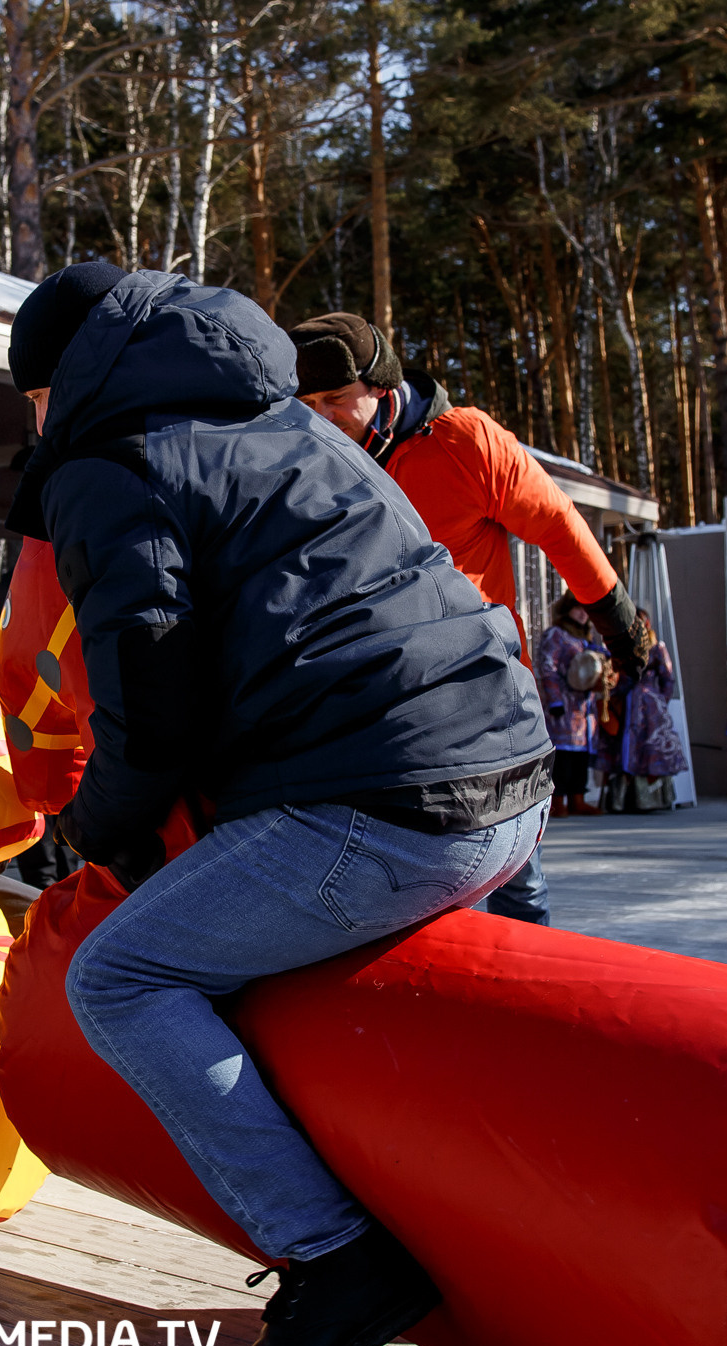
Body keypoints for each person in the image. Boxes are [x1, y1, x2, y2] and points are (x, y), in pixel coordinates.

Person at [9, 264, 551, 1346]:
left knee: (123, 975)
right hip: (517, 782)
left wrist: (89, 835)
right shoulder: (287, 424)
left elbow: (149, 701)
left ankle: (337, 1256)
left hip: (394, 807)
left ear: (56, 386)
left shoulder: (111, 466)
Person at [285, 313, 648, 923]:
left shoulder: (465, 443)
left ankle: (523, 992)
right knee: (407, 884)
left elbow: (561, 528)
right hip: (372, 703)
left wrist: (619, 623)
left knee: (512, 876)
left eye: (336, 400)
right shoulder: (308, 464)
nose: (320, 416)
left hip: (482, 697)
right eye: (307, 402)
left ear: (380, 386)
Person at [607, 607, 690, 813]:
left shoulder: (657, 647)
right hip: (628, 704)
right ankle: (626, 800)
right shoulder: (621, 647)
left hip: (652, 709)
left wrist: (659, 700)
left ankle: (654, 798)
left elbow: (667, 678)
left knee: (652, 748)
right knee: (627, 750)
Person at [536, 592, 609, 818]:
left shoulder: (587, 638)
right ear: (567, 610)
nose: (582, 614)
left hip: (585, 709)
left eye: (586, 610)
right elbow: (547, 667)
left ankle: (578, 799)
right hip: (564, 706)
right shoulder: (556, 635)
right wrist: (555, 700)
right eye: (578, 608)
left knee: (581, 757)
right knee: (564, 756)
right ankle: (558, 801)